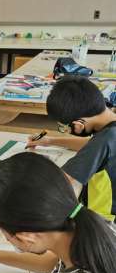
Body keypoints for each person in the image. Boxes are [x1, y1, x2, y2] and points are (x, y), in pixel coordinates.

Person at [27, 75, 116, 221]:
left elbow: (62, 180)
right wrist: (50, 141)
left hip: (104, 218)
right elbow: (91, 144)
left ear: (79, 123)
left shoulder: (103, 141)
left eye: (66, 127)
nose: (67, 130)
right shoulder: (110, 126)